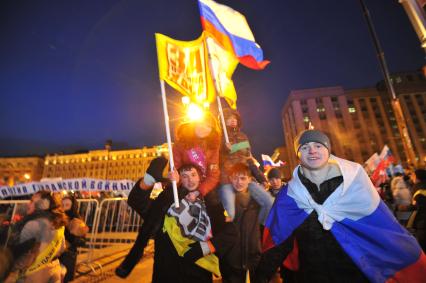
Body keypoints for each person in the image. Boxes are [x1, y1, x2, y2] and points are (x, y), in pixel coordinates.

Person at [255, 130, 426, 283]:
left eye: (318, 145)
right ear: (299, 154)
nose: (312, 150)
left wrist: (409, 251)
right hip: (312, 274)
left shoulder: (353, 186)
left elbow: (381, 226)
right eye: (305, 147)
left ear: (328, 151)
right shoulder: (289, 195)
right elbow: (279, 240)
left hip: (355, 271)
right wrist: (261, 276)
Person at [116, 159, 237, 282]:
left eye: (193, 175)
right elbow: (138, 202)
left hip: (198, 273)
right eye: (185, 176)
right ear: (179, 179)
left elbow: (230, 233)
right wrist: (149, 179)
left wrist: (204, 248)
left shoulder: (211, 203)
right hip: (167, 271)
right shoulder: (167, 200)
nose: (190, 180)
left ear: (200, 178)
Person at [218, 108, 273, 224]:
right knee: (230, 214)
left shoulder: (243, 136)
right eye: (229, 118)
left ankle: (257, 228)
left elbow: (249, 159)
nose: (233, 120)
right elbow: (214, 158)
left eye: (235, 118)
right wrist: (223, 149)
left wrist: (261, 178)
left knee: (268, 201)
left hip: (246, 177)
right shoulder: (218, 137)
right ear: (223, 120)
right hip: (227, 179)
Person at [10, 191, 67, 283]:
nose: (29, 204)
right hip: (54, 268)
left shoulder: (32, 224)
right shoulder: (58, 223)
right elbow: (62, 248)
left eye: (33, 202)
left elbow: (22, 258)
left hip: (33, 275)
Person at [219, 163, 263, 283]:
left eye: (243, 178)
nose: (239, 182)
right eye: (235, 178)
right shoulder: (224, 201)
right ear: (230, 179)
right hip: (231, 258)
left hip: (253, 255)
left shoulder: (258, 200)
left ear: (249, 179)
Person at [172, 112, 221, 197]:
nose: (204, 128)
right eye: (201, 124)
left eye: (208, 126)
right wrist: (179, 182)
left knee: (214, 202)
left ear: (212, 130)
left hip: (204, 186)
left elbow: (213, 175)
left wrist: (199, 191)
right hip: (184, 185)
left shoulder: (213, 147)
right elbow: (175, 169)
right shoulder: (181, 143)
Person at [59, 195, 88, 282]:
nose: (64, 208)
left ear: (73, 206)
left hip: (68, 254)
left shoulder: (76, 219)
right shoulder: (58, 217)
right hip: (57, 253)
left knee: (66, 277)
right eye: (62, 205)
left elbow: (82, 241)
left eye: (67, 205)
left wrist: (74, 237)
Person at [409, 169, 426, 251]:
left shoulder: (418, 190)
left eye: (413, 175)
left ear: (418, 177)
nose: (411, 177)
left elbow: (416, 206)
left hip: (423, 223)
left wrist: (401, 207)